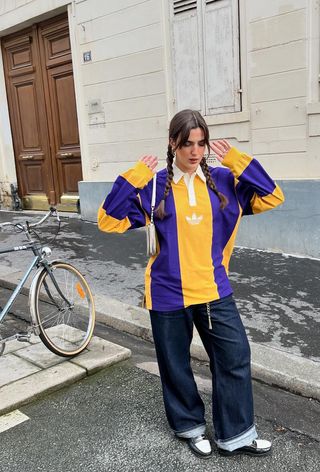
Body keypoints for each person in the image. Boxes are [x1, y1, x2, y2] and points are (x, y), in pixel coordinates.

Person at [97, 109, 285, 459]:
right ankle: (190, 426)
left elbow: (273, 196)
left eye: (201, 143)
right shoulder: (154, 188)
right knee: (175, 364)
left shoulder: (226, 181)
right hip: (167, 293)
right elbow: (108, 221)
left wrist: (237, 159)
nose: (195, 151)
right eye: (187, 144)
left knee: (234, 357)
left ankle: (236, 434)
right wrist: (135, 177)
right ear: (173, 144)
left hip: (214, 290)